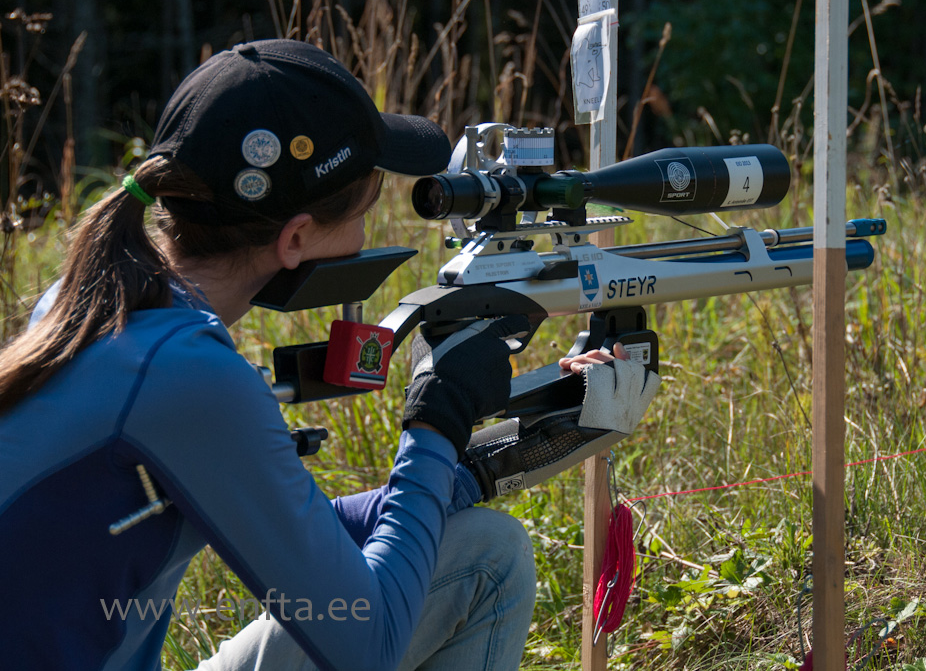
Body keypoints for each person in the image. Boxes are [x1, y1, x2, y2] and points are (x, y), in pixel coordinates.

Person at [0, 39, 659, 670]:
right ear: (295, 239)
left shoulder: (97, 304)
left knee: (485, 549)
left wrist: (481, 465)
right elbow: (365, 646)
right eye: (364, 210)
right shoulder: (185, 375)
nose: (369, 233)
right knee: (487, 563)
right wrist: (436, 421)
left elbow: (295, 539)